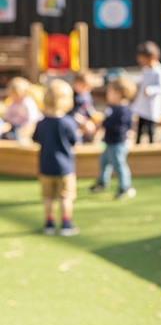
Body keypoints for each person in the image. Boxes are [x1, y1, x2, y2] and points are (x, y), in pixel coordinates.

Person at [32, 79, 79, 236]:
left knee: (48, 197)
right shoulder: (68, 122)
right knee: (66, 197)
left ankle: (49, 224)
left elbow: (35, 139)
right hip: (65, 168)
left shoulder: (42, 122)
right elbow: (75, 142)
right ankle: (66, 225)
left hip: (46, 166)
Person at [90, 75, 137, 199]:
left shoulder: (124, 109)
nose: (107, 95)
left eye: (110, 92)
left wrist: (105, 124)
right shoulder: (112, 108)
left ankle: (125, 187)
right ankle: (102, 183)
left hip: (118, 143)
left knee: (119, 165)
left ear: (119, 93)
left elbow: (121, 125)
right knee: (103, 161)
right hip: (109, 142)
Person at [131, 41, 161, 143]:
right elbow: (141, 81)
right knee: (140, 126)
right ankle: (138, 143)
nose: (142, 64)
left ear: (153, 58)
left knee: (150, 128)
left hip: (152, 106)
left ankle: (151, 145)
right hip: (142, 105)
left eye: (143, 61)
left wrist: (151, 90)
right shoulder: (145, 70)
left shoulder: (159, 72)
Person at [70, 70, 98, 142]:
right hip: (75, 120)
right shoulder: (73, 97)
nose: (86, 89)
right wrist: (82, 121)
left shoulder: (87, 95)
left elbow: (89, 108)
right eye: (83, 86)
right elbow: (71, 113)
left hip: (85, 119)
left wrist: (92, 116)